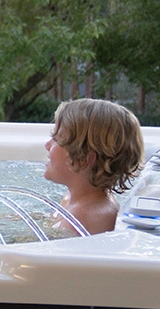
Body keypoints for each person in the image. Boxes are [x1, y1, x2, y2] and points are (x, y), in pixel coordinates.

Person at [44, 98, 145, 235]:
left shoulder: (84, 218)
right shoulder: (72, 200)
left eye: (56, 139)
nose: (47, 145)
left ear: (84, 158)